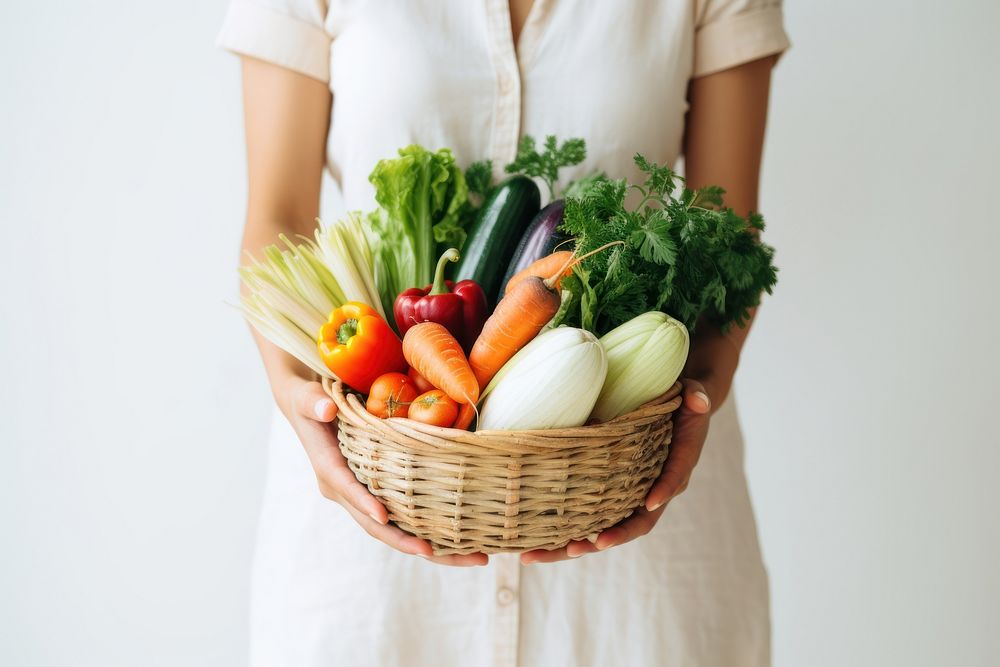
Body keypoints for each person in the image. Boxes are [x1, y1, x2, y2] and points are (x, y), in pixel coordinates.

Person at [219, 1, 789, 664]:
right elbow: (278, 217)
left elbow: (729, 231)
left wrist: (706, 389)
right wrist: (296, 395)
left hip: (636, 496)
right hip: (374, 499)